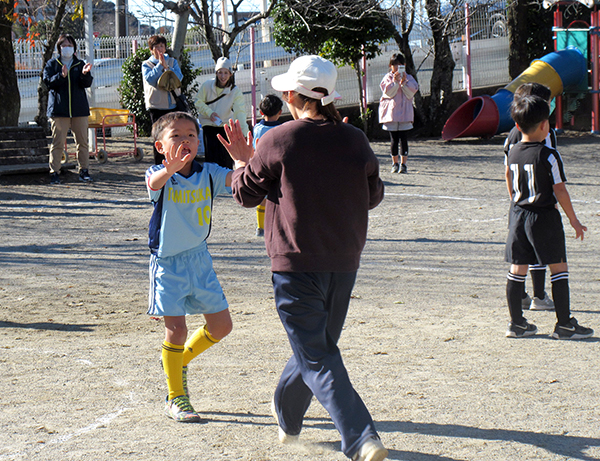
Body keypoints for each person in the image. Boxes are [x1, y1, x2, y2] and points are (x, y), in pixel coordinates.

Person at [219, 55, 388, 461]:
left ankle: (361, 437)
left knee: (316, 352)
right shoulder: (354, 139)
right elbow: (374, 195)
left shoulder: (279, 138)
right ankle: (288, 416)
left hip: (294, 263)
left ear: (292, 94)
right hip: (344, 261)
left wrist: (243, 160)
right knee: (318, 348)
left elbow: (245, 194)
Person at [145, 111, 237, 422]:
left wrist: (244, 161)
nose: (185, 140)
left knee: (222, 326)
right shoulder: (159, 173)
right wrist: (169, 169)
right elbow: (153, 185)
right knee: (177, 329)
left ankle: (178, 361)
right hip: (168, 264)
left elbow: (237, 182)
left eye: (191, 135)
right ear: (160, 146)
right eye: (176, 136)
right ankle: (176, 397)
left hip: (199, 258)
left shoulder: (208, 172)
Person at [504, 94, 593, 340]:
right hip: (543, 217)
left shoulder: (512, 152)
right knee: (559, 268)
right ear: (545, 125)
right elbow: (560, 189)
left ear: (518, 126)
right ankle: (564, 324)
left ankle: (516, 323)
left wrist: (515, 201)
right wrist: (574, 220)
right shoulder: (549, 154)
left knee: (517, 267)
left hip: (518, 215)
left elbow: (510, 181)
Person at [504, 83, 557, 312]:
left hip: (518, 201)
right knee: (540, 250)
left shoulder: (514, 132)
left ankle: (523, 297)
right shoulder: (545, 132)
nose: (550, 106)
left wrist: (513, 198)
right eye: (547, 102)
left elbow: (506, 169)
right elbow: (551, 170)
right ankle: (539, 295)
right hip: (540, 202)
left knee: (521, 252)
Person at [43, 34, 94, 184]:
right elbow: (48, 82)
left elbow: (86, 84)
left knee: (82, 142)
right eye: (64, 45)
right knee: (58, 142)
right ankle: (54, 172)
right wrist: (61, 76)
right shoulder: (52, 64)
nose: (67, 48)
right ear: (59, 48)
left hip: (79, 110)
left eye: (70, 45)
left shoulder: (80, 64)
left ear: (74, 48)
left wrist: (85, 74)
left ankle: (84, 171)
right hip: (59, 111)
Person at [196, 57, 248, 169]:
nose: (223, 76)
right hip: (209, 126)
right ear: (216, 73)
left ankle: (228, 185)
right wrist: (209, 113)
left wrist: (245, 133)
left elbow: (240, 113)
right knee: (211, 161)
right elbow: (198, 102)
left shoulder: (235, 91)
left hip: (225, 127)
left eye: (226, 73)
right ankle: (212, 185)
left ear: (230, 74)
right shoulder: (207, 86)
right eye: (220, 72)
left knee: (226, 160)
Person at [142, 35, 184, 164]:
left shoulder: (172, 61)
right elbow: (150, 80)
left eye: (162, 46)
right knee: (159, 137)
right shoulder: (146, 64)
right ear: (151, 49)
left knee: (174, 136)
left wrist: (167, 67)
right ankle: (159, 165)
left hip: (172, 105)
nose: (160, 49)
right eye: (156, 46)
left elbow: (179, 78)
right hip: (156, 106)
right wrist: (159, 66)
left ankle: (174, 163)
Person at [378, 53, 418, 174]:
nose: (397, 67)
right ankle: (394, 163)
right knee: (394, 139)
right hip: (391, 114)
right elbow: (388, 93)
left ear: (404, 65)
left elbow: (411, 93)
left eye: (399, 65)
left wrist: (404, 82)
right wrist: (395, 82)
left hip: (405, 114)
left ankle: (403, 164)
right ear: (390, 66)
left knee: (404, 139)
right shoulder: (387, 78)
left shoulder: (409, 78)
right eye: (394, 64)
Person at [252, 94, 283, 237]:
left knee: (262, 198)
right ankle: (278, 225)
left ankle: (260, 227)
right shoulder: (283, 129)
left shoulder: (257, 128)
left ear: (261, 112)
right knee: (279, 198)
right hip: (277, 168)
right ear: (280, 112)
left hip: (261, 167)